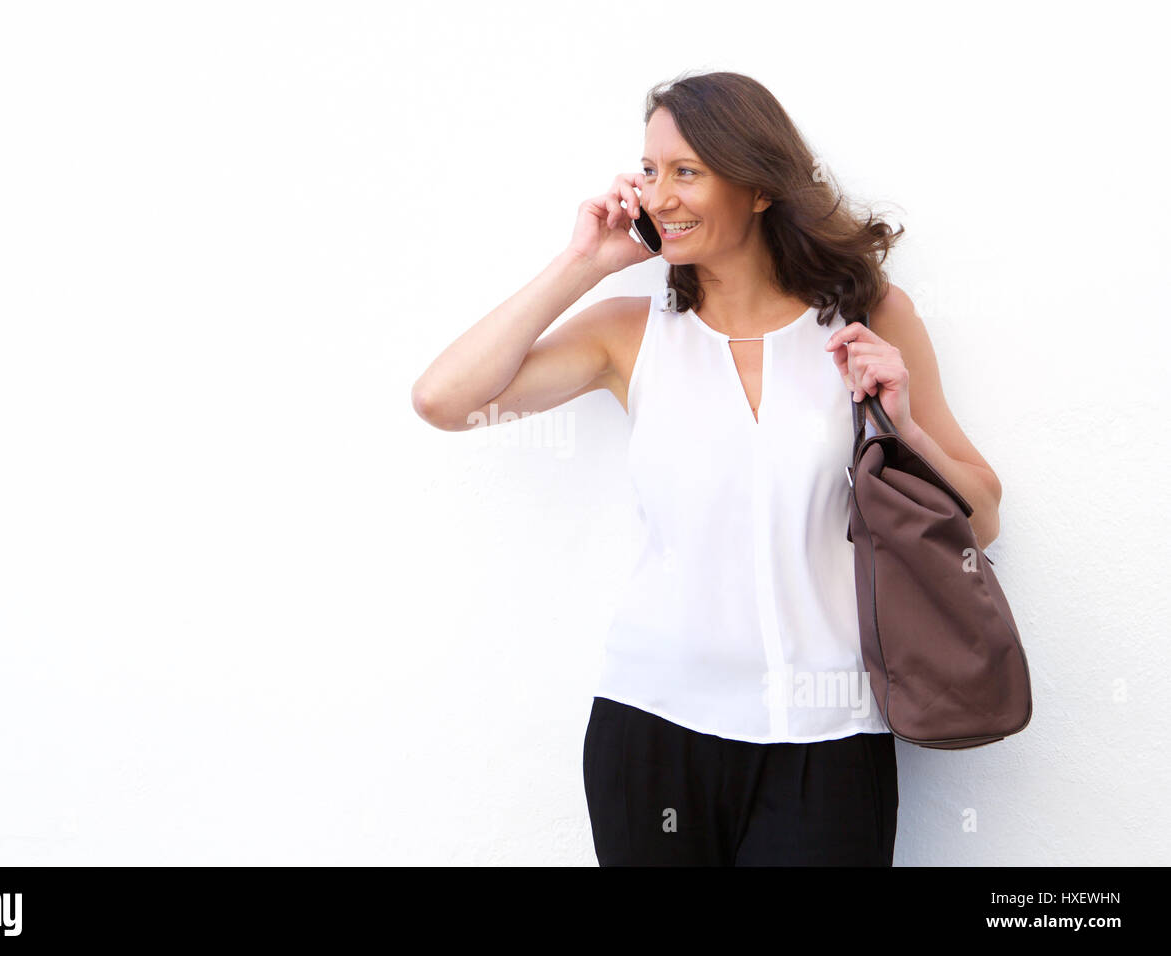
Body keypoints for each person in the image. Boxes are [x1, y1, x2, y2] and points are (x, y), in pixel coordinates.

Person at [410, 71, 1003, 866]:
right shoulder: (633, 333)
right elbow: (444, 399)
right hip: (651, 729)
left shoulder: (869, 317)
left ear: (758, 187)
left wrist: (904, 430)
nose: (661, 195)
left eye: (687, 171)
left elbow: (983, 517)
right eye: (650, 172)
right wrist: (585, 263)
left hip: (825, 740)